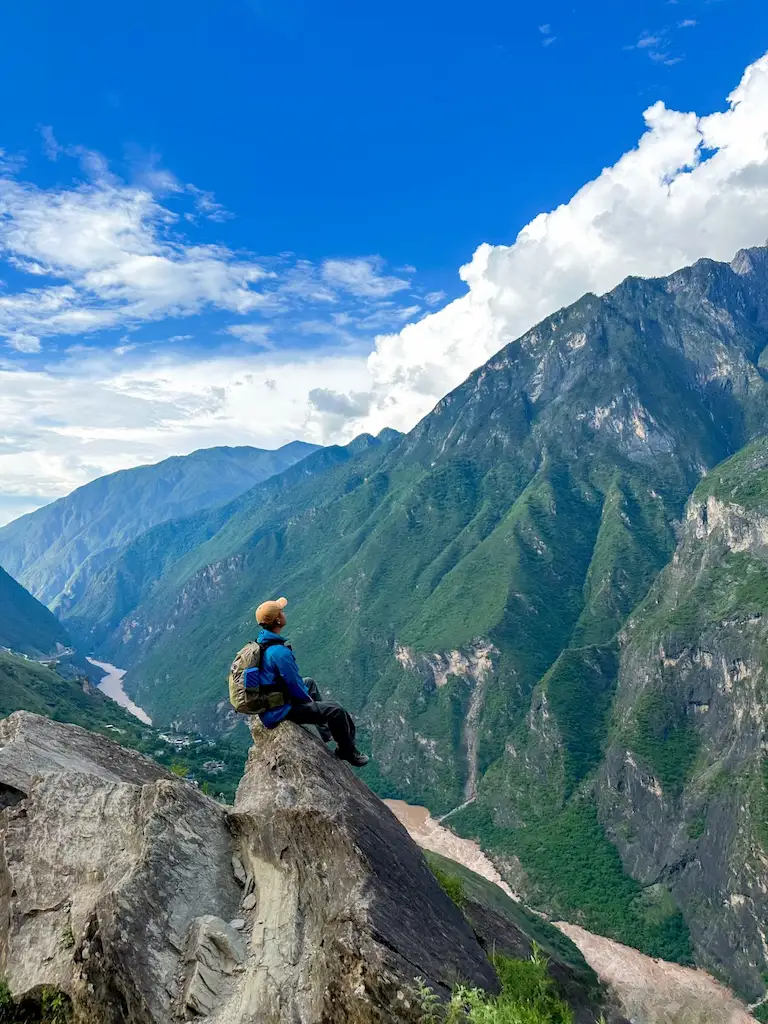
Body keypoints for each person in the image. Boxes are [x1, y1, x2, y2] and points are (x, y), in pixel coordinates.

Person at [254, 597, 369, 768]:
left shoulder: (262, 643)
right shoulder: (279, 652)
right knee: (336, 711)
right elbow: (295, 687)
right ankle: (347, 751)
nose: (284, 614)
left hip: (272, 702)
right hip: (280, 709)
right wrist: (311, 705)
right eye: (281, 612)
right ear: (277, 620)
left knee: (310, 683)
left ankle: (326, 734)